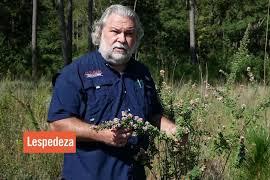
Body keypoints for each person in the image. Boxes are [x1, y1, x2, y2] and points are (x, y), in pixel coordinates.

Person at [48, 4, 176, 180]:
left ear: (136, 38)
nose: (122, 39)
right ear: (100, 32)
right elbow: (57, 126)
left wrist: (172, 130)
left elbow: (152, 114)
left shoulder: (142, 73)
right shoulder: (75, 72)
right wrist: (101, 134)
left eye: (129, 33)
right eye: (115, 31)